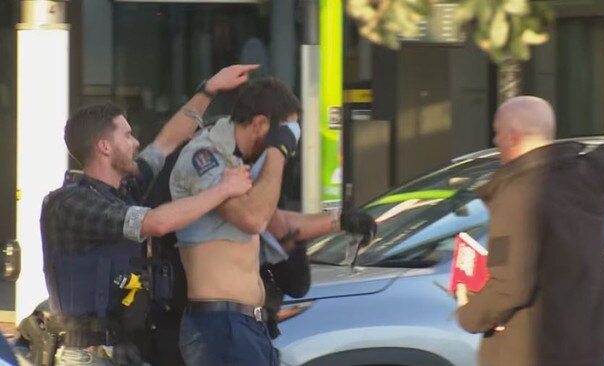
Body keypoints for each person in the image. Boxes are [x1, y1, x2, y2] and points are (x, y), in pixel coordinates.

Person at [39, 64, 258, 366]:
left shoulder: (122, 189)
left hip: (124, 350)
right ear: (104, 147)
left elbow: (166, 143)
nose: (136, 142)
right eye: (127, 136)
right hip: (84, 356)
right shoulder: (69, 205)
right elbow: (156, 222)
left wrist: (210, 89)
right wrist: (223, 189)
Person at [169, 77, 376, 366]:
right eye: (286, 133)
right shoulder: (204, 156)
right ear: (259, 124)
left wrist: (340, 221)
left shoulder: (239, 163)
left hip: (247, 325)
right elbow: (253, 218)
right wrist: (277, 152)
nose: (289, 143)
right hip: (220, 326)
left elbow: (276, 225)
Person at [455, 96, 604, 366]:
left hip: (533, 350)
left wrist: (469, 314)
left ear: (513, 137)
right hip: (589, 340)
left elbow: (509, 287)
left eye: (497, 133)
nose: (496, 141)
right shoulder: (588, 174)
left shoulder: (516, 197)